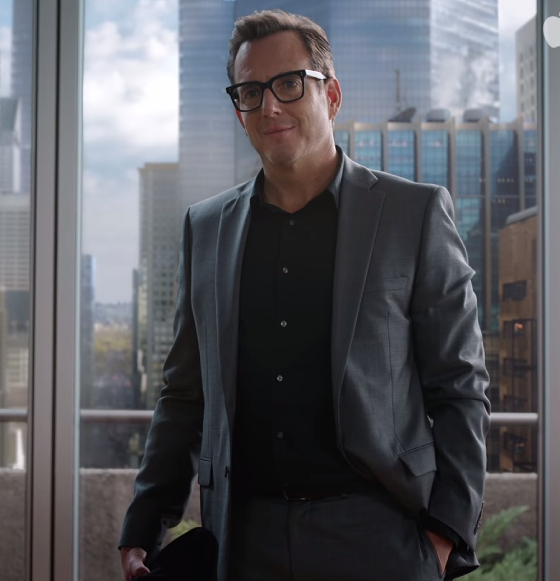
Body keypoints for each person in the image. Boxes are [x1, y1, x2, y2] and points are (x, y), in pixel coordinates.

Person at [119, 10, 490, 581]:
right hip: (243, 541)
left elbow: (459, 385)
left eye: (289, 84)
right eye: (251, 92)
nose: (270, 106)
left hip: (381, 535)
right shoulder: (206, 228)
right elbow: (185, 394)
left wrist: (445, 535)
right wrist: (144, 527)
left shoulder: (412, 214)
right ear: (239, 110)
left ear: (331, 95)